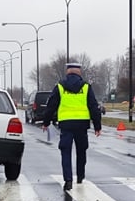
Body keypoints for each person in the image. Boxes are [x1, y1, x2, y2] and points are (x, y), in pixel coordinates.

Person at [42, 62, 102, 191]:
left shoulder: (59, 87)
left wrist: (46, 122)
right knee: (81, 151)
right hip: (82, 125)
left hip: (66, 124)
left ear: (67, 72)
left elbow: (51, 106)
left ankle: (68, 180)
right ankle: (80, 176)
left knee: (66, 152)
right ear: (79, 72)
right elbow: (93, 107)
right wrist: (97, 126)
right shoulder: (86, 87)